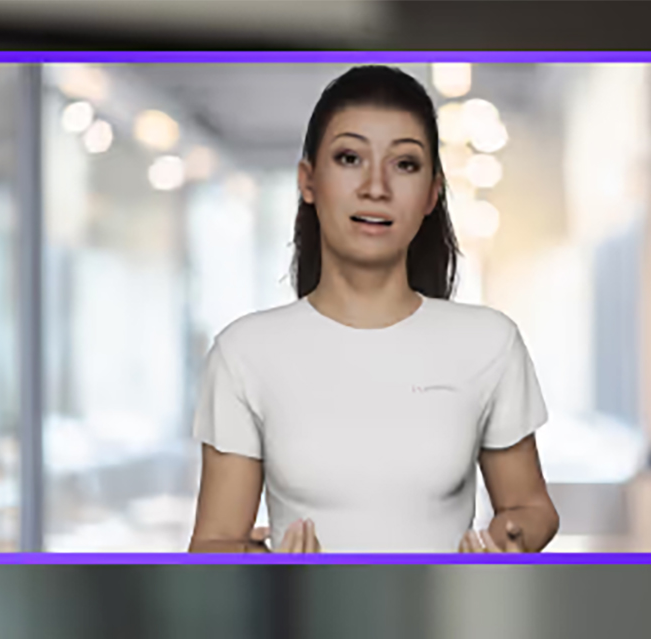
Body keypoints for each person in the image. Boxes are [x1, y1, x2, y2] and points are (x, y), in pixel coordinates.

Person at [188, 65, 559, 554]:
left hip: (446, 626)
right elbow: (212, 544)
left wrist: (508, 538)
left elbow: (531, 507)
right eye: (349, 158)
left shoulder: (489, 341)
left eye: (404, 164)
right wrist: (267, 569)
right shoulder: (244, 352)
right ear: (308, 181)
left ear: (432, 192)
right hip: (303, 630)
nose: (376, 186)